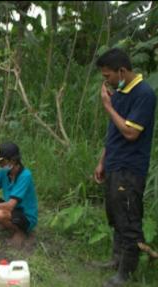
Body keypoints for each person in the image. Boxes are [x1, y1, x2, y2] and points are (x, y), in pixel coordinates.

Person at [93, 48, 156, 287]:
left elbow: (130, 132)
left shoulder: (144, 94)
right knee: (116, 215)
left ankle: (126, 273)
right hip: (114, 165)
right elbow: (114, 133)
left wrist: (108, 106)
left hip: (130, 168)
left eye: (107, 75)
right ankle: (116, 260)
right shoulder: (118, 92)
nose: (105, 80)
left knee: (129, 219)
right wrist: (102, 161)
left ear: (122, 71)